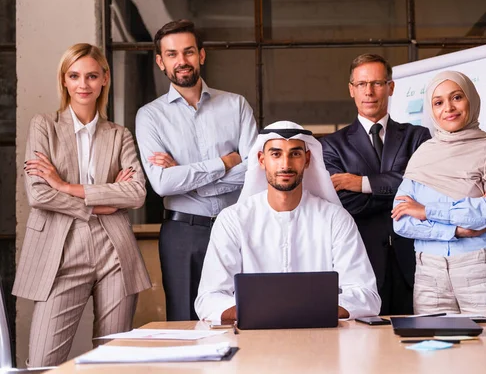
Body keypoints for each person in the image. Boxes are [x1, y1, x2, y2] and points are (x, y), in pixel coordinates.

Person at [13, 43, 151, 366]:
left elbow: (136, 193)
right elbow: (38, 194)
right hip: (60, 249)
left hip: (114, 250)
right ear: (64, 80)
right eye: (74, 76)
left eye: (91, 76)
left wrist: (64, 186)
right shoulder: (43, 126)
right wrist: (98, 203)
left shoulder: (119, 135)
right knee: (43, 363)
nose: (83, 84)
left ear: (105, 79)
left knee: (112, 362)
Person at [195, 121, 381, 321]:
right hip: (254, 344)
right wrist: (272, 311)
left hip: (322, 343)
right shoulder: (233, 220)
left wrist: (299, 310)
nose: (285, 164)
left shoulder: (335, 219)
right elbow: (208, 300)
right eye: (276, 154)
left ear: (307, 159)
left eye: (295, 154)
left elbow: (367, 297)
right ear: (261, 159)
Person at [135, 19, 258, 321]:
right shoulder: (150, 116)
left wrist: (186, 175)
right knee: (184, 322)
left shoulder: (236, 105)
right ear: (161, 62)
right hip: (183, 234)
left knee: (248, 315)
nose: (182, 61)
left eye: (188, 52)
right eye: (172, 54)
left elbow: (255, 170)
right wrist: (224, 163)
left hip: (236, 227)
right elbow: (163, 184)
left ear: (201, 55)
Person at [391, 70, 486, 316]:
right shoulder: (423, 154)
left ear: (471, 99)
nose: (448, 108)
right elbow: (402, 222)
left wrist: (425, 211)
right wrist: (456, 230)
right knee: (432, 350)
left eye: (457, 97)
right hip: (430, 275)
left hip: (482, 269)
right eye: (438, 102)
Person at [320, 54, 431, 315]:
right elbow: (344, 202)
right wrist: (400, 191)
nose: (369, 92)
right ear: (351, 89)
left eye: (377, 83)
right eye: (361, 84)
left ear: (390, 87)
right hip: (361, 261)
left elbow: (422, 186)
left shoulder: (417, 136)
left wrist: (361, 183)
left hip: (415, 259)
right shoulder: (331, 145)